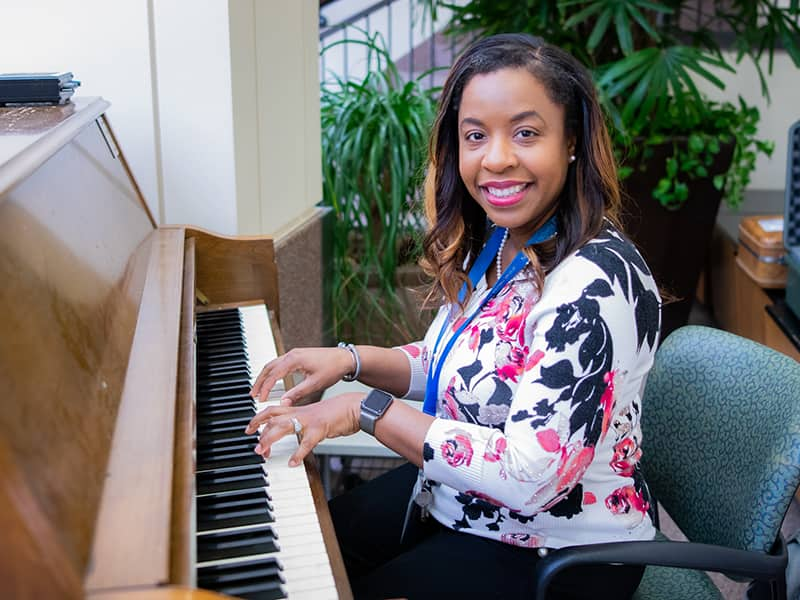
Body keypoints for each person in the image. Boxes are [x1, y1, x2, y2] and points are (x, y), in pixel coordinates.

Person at [248, 33, 662, 599]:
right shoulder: (502, 241)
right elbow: (464, 366)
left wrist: (364, 412)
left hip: (561, 546)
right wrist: (351, 360)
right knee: (314, 550)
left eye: (525, 132)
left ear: (571, 142)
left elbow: (530, 475)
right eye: (476, 136)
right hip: (464, 499)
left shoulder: (591, 286)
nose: (496, 158)